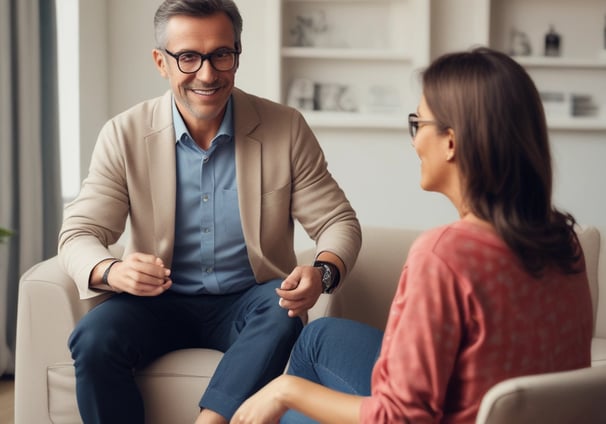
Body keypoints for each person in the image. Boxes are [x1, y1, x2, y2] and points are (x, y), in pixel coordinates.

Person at [230, 47, 594, 424]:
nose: (414, 140)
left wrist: (284, 391)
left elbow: (400, 418)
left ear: (451, 142)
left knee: (291, 399)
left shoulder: (444, 255)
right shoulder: (564, 242)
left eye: (418, 124)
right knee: (319, 338)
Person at [58, 1, 361, 423]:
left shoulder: (285, 127)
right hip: (156, 300)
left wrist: (323, 271)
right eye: (188, 57)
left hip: (251, 297)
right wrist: (112, 270)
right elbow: (78, 232)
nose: (207, 73)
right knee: (92, 338)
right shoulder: (124, 133)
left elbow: (337, 222)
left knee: (283, 315)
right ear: (160, 62)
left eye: (221, 54)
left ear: (237, 53)